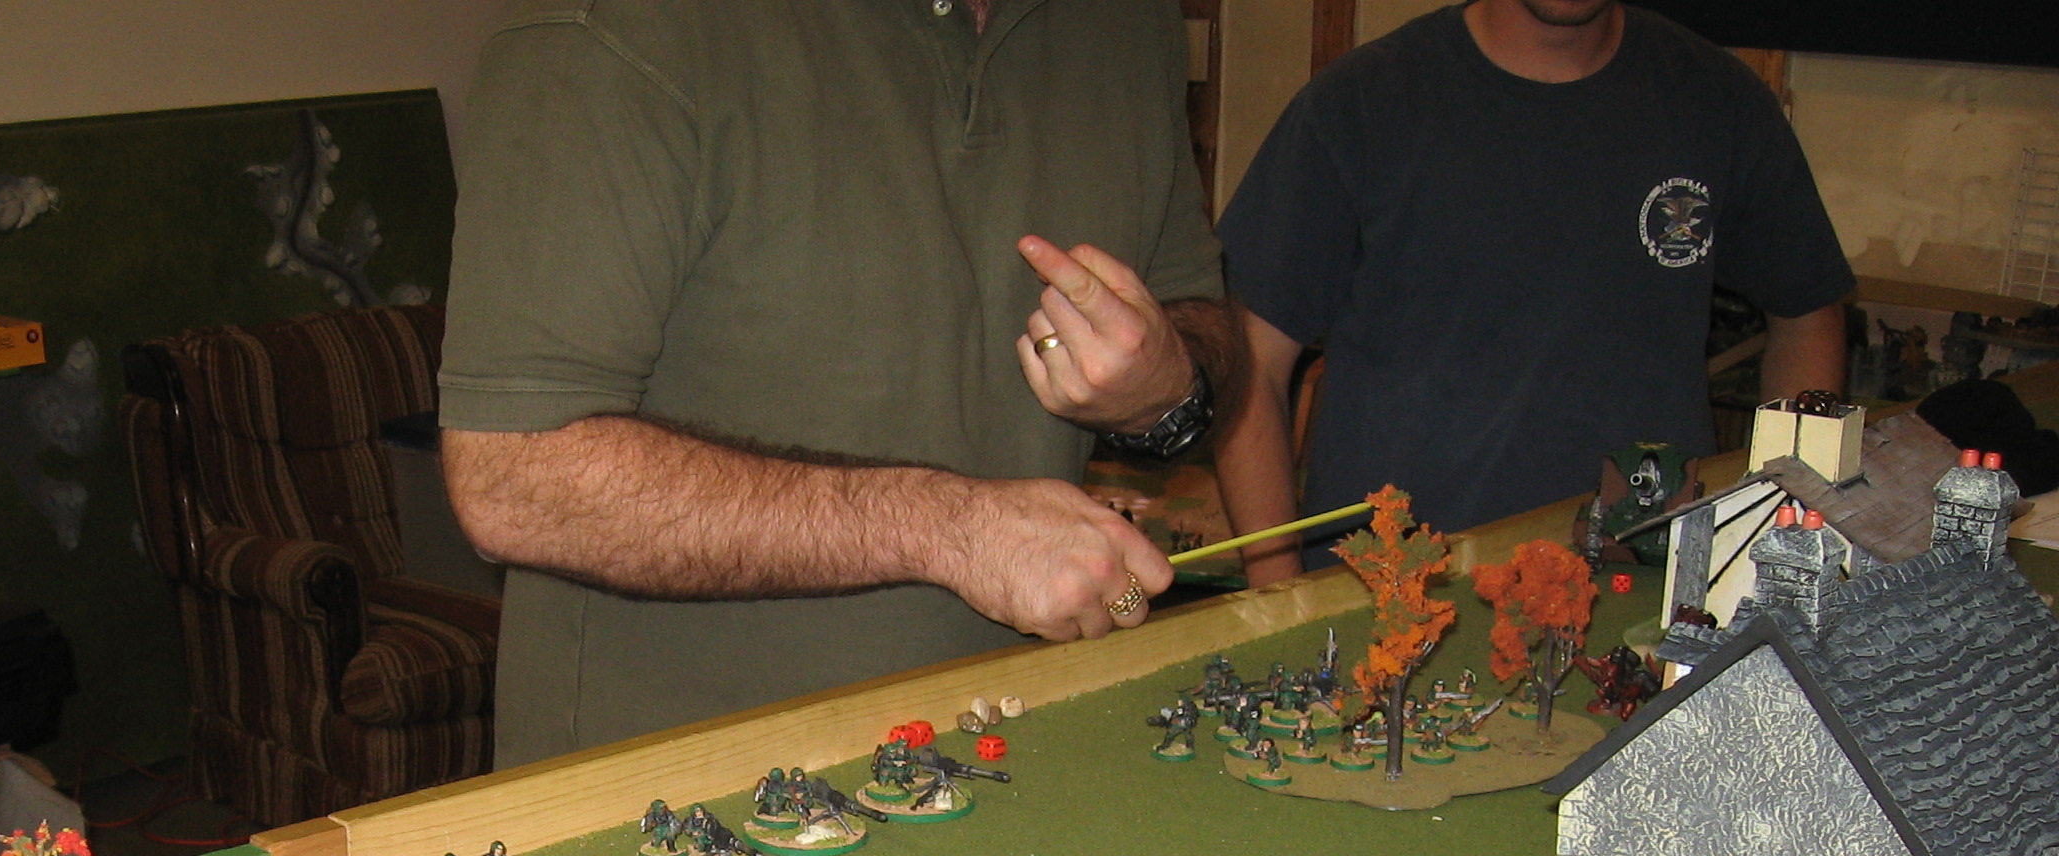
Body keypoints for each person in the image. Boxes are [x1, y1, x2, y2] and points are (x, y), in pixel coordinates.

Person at [439, 0, 1247, 764]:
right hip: (676, 798)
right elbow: (511, 479)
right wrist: (952, 528)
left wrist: (1167, 386)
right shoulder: (617, 29)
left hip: (1016, 748)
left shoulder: (1132, 22)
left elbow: (1201, 319)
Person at [1211, 0, 1853, 585]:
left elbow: (1808, 315)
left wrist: (1779, 554)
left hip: (1643, 594)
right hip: (1396, 600)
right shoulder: (1362, 102)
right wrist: (1279, 595)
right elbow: (1248, 361)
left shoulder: (1716, 100)